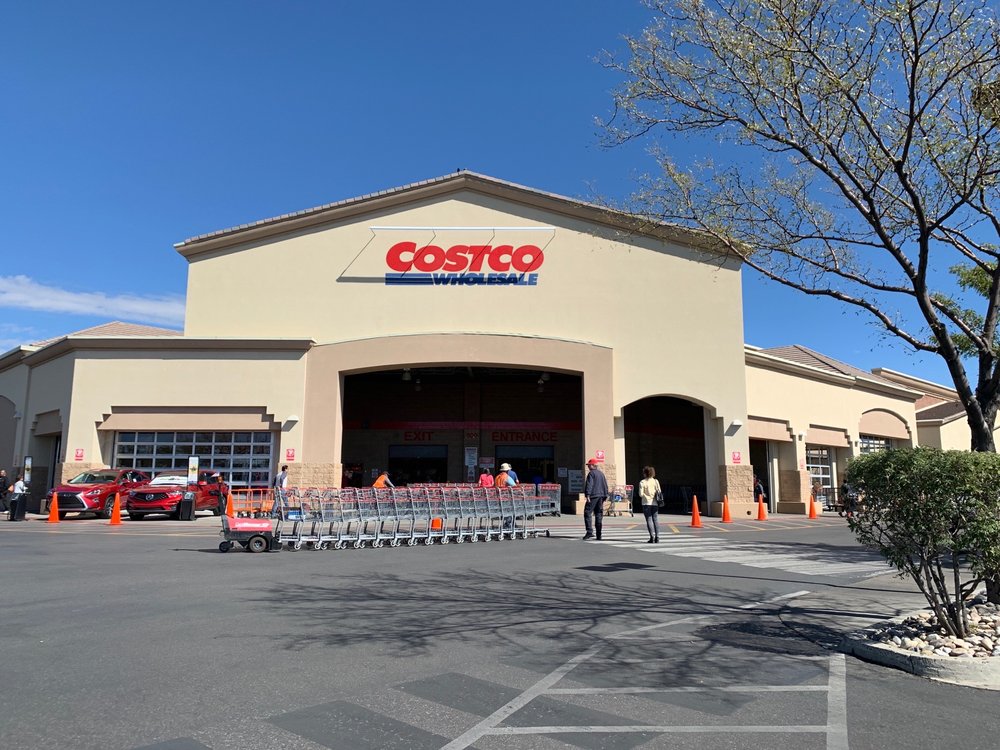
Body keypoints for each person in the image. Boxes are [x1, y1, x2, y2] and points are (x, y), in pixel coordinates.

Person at [583, 458, 608, 540]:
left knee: (587, 512)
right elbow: (605, 485)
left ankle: (589, 531)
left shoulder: (591, 473)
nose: (588, 466)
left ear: (593, 465)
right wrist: (605, 495)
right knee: (598, 514)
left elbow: (589, 484)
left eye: (589, 465)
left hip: (593, 496)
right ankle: (599, 534)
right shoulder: (601, 474)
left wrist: (588, 495)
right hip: (601, 496)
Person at [639, 465, 661, 543]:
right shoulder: (656, 481)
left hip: (646, 503)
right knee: (655, 519)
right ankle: (657, 537)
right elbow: (659, 491)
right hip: (655, 503)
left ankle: (652, 537)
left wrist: (646, 496)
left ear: (645, 473)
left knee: (649, 519)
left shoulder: (642, 482)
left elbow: (640, 494)